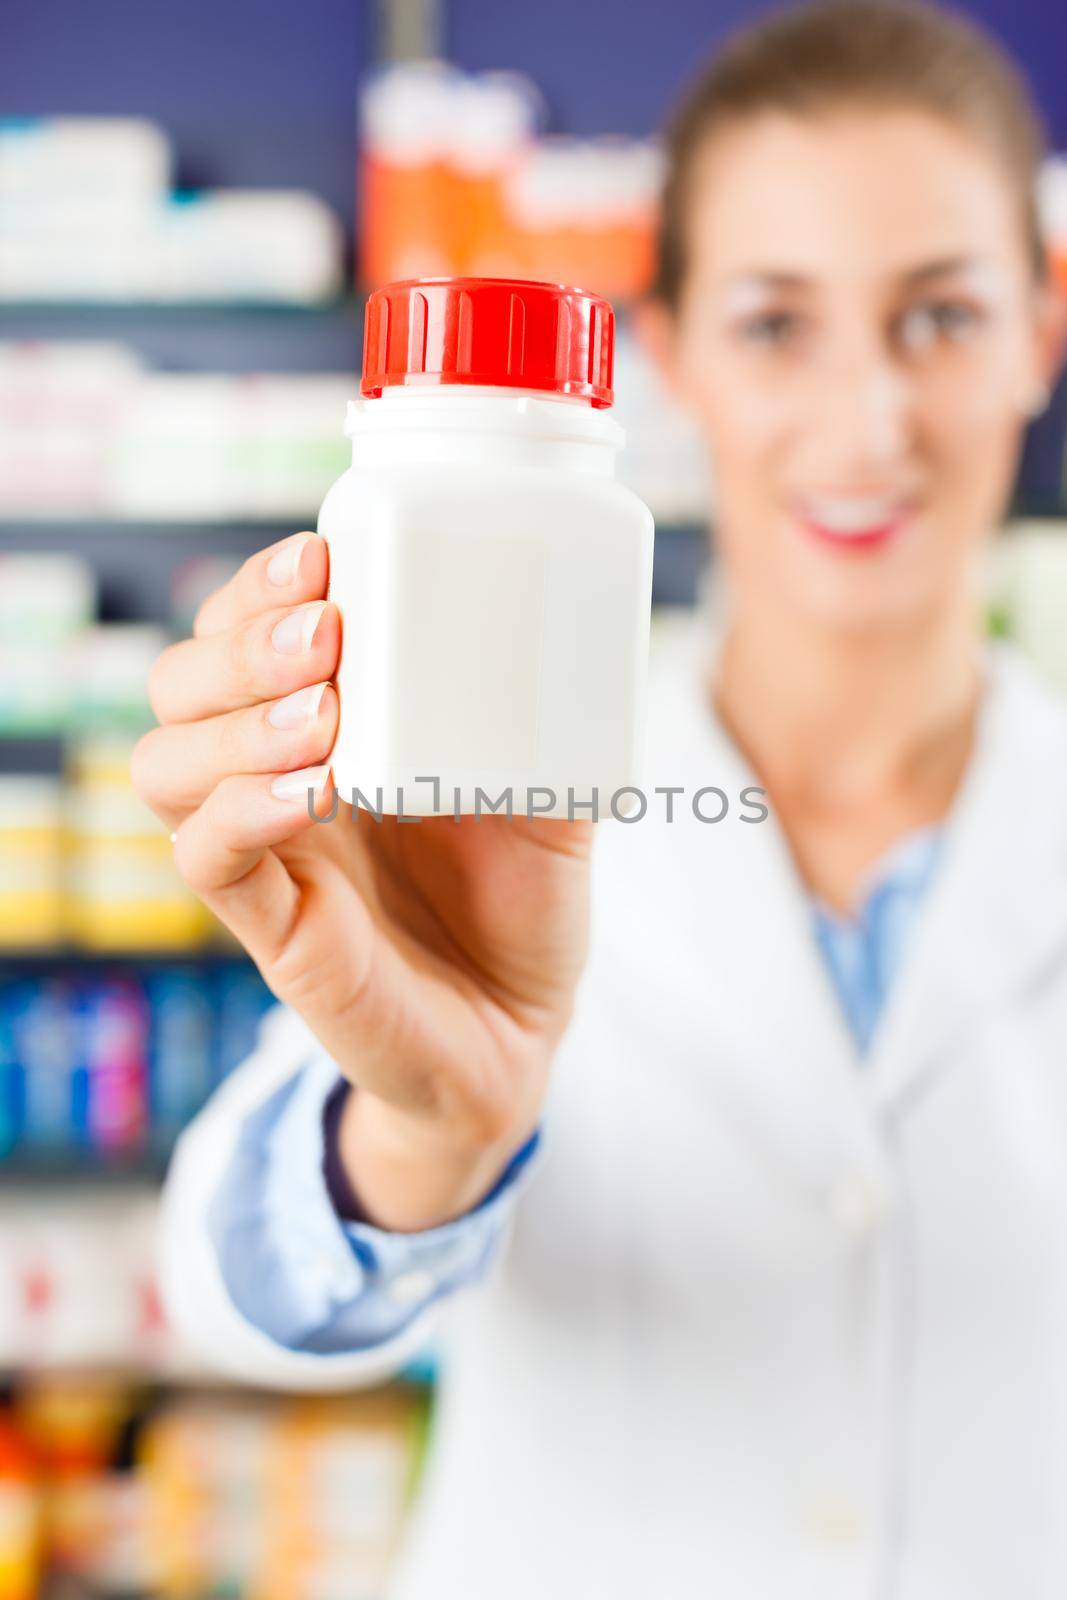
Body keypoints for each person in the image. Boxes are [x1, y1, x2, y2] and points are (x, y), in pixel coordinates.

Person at [134, 2, 1067, 1594]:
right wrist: (428, 1131)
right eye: (777, 323)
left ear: (1044, 328)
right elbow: (234, 1290)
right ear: (677, 350)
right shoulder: (469, 783)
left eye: (941, 317)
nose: (868, 419)